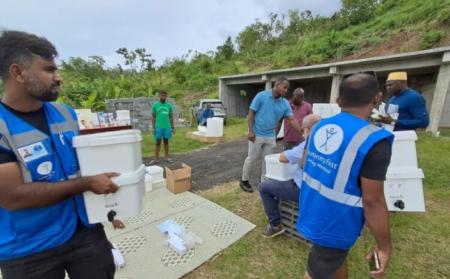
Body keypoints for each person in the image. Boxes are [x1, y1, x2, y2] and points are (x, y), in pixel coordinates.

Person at [0, 31, 118, 279]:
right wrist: (87, 184)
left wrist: (110, 210)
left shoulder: (65, 113)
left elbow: (82, 166)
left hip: (84, 233)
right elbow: (12, 197)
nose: (59, 77)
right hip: (29, 249)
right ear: (18, 73)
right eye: (49, 70)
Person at [297, 73, 393, 279]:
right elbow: (373, 201)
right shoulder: (374, 140)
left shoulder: (319, 126)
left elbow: (304, 163)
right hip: (337, 220)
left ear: (339, 101)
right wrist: (384, 247)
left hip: (312, 207)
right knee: (318, 269)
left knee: (334, 260)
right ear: (376, 98)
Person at [259, 114, 321, 238]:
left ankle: (275, 225)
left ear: (307, 129)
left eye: (303, 130)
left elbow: (282, 158)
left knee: (264, 187)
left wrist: (292, 152)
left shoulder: (307, 144)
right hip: (322, 191)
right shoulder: (332, 145)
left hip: (303, 190)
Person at [240, 77, 303, 193]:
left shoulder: (285, 103)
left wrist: (302, 134)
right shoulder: (261, 96)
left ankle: (264, 183)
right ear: (277, 85)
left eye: (287, 89)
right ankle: (244, 180)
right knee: (251, 158)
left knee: (267, 160)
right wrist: (250, 130)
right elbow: (251, 113)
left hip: (270, 136)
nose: (286, 91)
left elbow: (292, 120)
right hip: (257, 134)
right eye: (284, 88)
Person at [151, 90, 175, 164]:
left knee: (166, 142)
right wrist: (153, 128)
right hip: (158, 127)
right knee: (157, 142)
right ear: (159, 96)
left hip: (167, 127)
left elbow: (171, 117)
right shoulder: (155, 105)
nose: (163, 97)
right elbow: (153, 117)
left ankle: (167, 157)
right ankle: (156, 158)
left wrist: (173, 127)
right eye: (162, 95)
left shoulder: (169, 106)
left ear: (166, 96)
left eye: (165, 96)